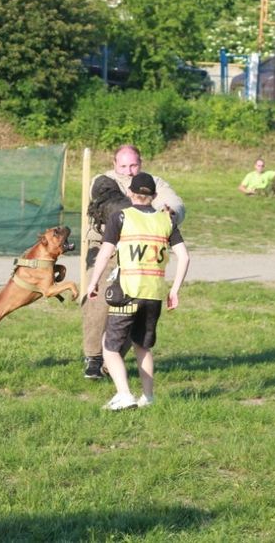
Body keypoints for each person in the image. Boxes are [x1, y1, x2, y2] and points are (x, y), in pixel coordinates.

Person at [85, 172, 190, 410]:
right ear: (153, 196)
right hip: (153, 294)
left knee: (109, 347)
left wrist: (94, 283)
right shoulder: (167, 220)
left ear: (130, 193)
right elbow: (184, 257)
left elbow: (104, 253)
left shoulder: (121, 217)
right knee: (142, 346)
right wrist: (174, 290)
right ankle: (148, 397)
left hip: (128, 291)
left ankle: (124, 395)